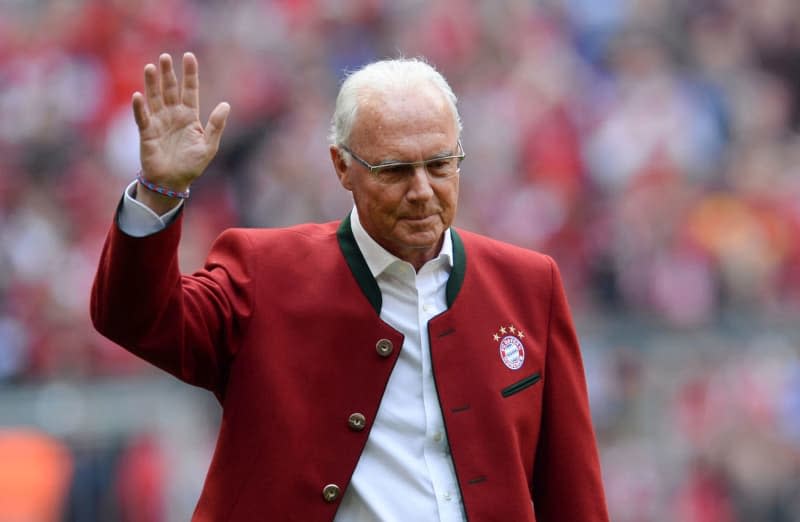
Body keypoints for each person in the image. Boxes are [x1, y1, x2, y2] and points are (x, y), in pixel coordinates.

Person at [91, 52, 609, 521]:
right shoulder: (264, 271)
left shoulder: (529, 285)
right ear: (343, 167)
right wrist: (161, 192)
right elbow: (137, 317)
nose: (422, 191)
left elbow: (573, 491)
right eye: (395, 170)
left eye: (439, 164)